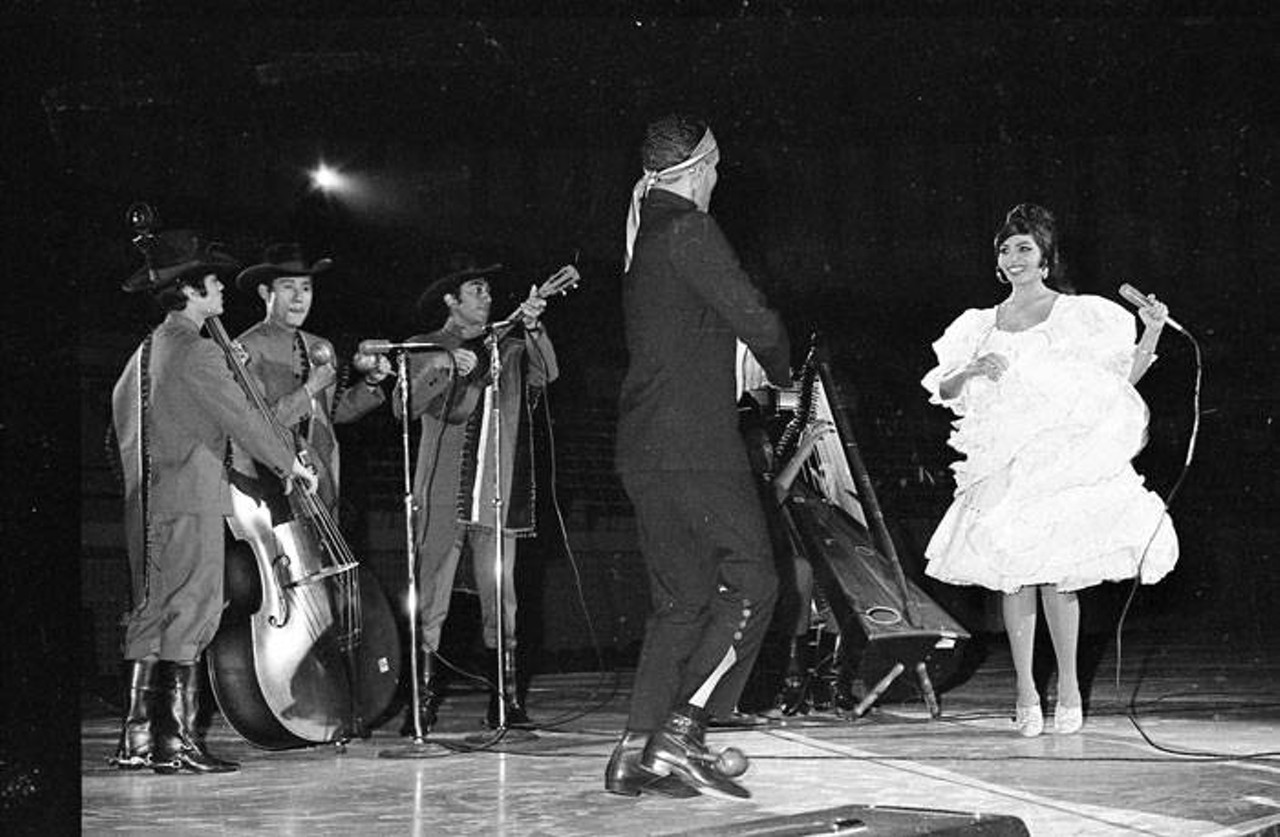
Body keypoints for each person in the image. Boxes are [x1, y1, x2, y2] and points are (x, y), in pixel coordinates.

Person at [921, 203, 1179, 738]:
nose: (1013, 258)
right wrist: (970, 369)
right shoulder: (978, 324)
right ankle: (1025, 691)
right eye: (1005, 249)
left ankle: (1066, 688)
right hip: (1003, 461)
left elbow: (1117, 381)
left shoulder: (1078, 315)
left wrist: (1151, 333)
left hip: (1058, 459)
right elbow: (942, 389)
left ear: (1044, 259)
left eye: (1024, 248)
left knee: (1060, 577)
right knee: (1015, 578)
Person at [607, 113, 791, 800]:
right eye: (714, 168)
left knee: (680, 601)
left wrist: (731, 360)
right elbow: (759, 318)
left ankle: (635, 751)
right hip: (694, 445)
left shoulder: (645, 239)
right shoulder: (690, 228)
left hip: (644, 446)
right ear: (699, 169)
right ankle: (682, 732)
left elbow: (695, 332)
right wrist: (778, 370)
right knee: (756, 582)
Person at [109, 226, 318, 774]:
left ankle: (137, 739)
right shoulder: (197, 352)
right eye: (214, 281)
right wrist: (289, 462)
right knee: (192, 613)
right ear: (191, 290)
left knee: (150, 613)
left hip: (147, 502)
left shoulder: (146, 350)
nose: (221, 289)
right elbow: (245, 419)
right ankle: (175, 743)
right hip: (192, 499)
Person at [392, 256, 558, 734]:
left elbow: (546, 375)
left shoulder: (506, 345)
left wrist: (533, 328)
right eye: (478, 291)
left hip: (494, 491)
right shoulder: (427, 346)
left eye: (488, 293)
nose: (488, 299)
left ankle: (504, 701)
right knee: (431, 595)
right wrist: (447, 366)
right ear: (452, 300)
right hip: (443, 490)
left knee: (501, 599)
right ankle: (421, 703)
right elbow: (404, 407)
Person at [232, 243, 392, 513]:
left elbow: (330, 413)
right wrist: (310, 389)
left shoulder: (319, 345)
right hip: (275, 483)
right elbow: (255, 427)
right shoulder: (246, 349)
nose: (299, 298)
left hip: (323, 479)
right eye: (288, 287)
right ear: (265, 292)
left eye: (306, 288)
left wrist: (371, 383)